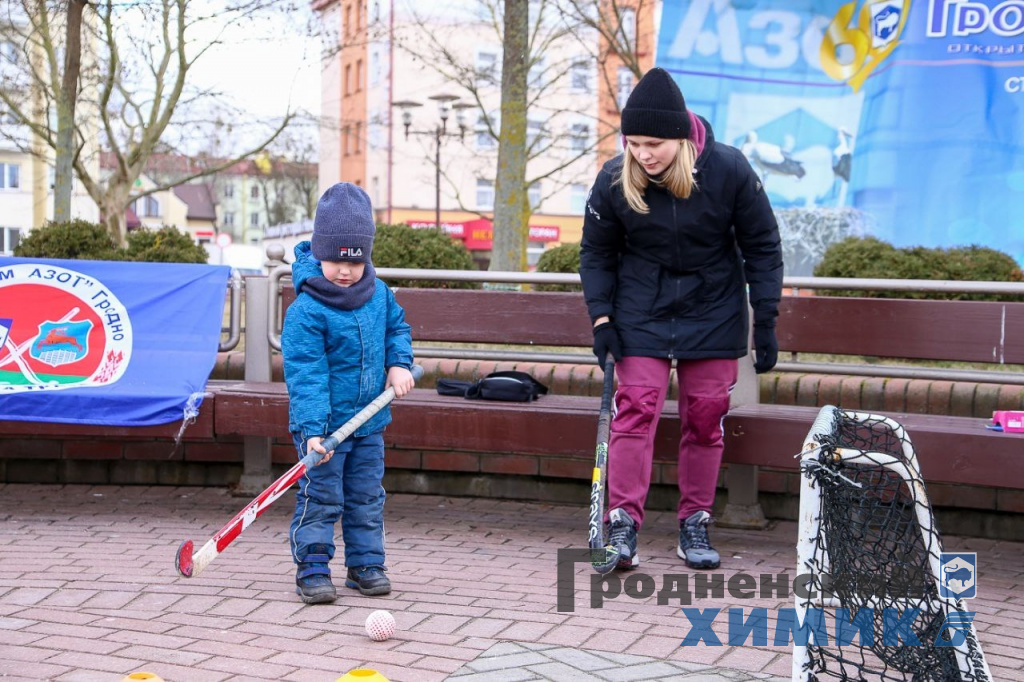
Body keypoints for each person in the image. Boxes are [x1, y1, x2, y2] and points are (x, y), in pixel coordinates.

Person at [578, 67, 783, 571]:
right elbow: (596, 253)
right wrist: (602, 320)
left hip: (713, 310)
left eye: (654, 144)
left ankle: (696, 520)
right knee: (637, 409)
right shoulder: (614, 177)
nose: (643, 154)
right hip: (641, 310)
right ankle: (622, 521)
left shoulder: (729, 170)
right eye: (634, 143)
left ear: (682, 137)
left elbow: (763, 246)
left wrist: (769, 319)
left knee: (705, 417)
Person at [282, 182, 415, 604]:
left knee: (366, 496)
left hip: (369, 423)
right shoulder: (306, 309)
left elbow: (398, 329)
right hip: (324, 429)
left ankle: (366, 564)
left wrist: (399, 364)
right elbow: (306, 373)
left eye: (354, 261)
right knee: (321, 496)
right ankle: (313, 566)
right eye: (336, 259)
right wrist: (313, 431)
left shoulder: (379, 295)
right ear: (320, 252)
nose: (345, 270)